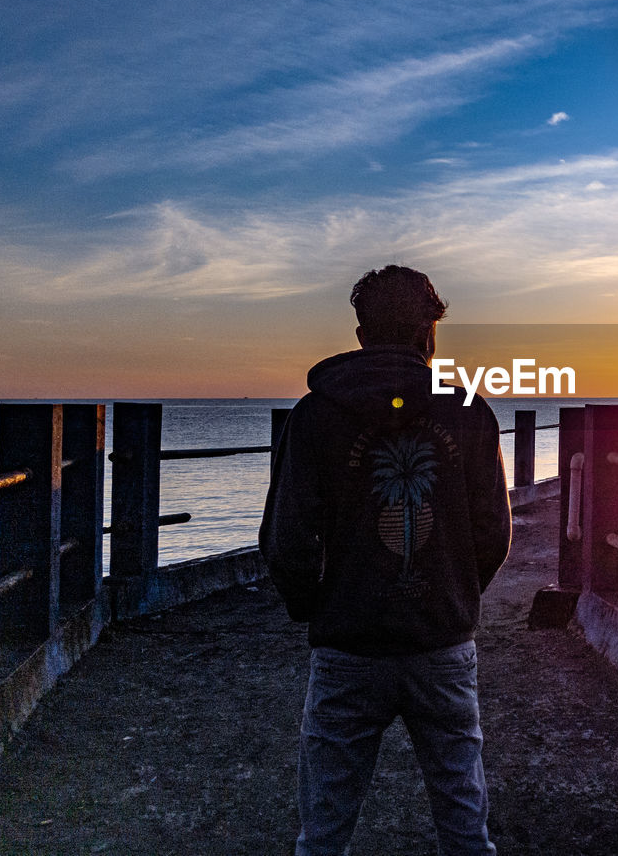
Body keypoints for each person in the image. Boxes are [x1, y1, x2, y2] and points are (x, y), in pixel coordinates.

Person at [260, 265, 511, 856]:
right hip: (441, 646)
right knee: (463, 822)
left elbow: (286, 539)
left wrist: (315, 609)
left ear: (361, 332)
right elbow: (494, 534)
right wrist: (455, 598)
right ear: (430, 332)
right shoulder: (470, 413)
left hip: (347, 646)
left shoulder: (314, 416)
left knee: (323, 829)